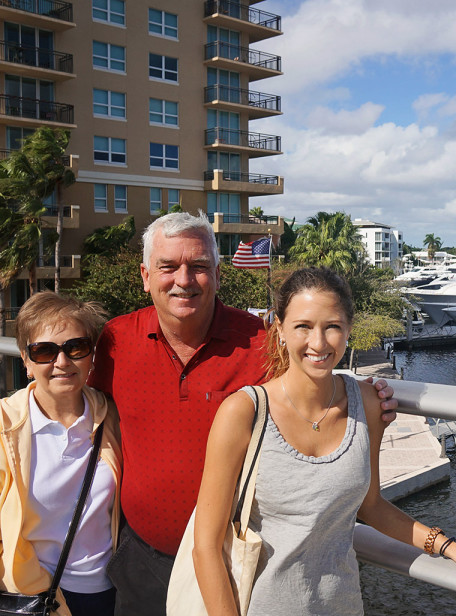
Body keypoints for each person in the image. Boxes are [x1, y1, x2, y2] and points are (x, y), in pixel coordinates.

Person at [88, 212, 399, 616]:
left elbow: (312, 374)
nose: (184, 279)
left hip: (238, 561)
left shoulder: (260, 343)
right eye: (168, 266)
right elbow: (78, 409)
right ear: (146, 275)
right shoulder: (115, 341)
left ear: (217, 273)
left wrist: (368, 398)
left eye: (199, 266)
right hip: (143, 558)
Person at [193, 267, 456, 615]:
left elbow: (371, 506)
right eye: (303, 326)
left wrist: (446, 546)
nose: (319, 343)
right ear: (279, 329)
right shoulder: (243, 412)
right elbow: (205, 545)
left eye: (332, 327)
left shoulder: (367, 403)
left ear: (349, 329)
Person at [0, 292, 121, 616]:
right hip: (33, 596)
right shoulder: (4, 427)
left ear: (92, 356)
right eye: (44, 351)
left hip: (107, 595)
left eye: (76, 348)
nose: (62, 362)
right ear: (26, 361)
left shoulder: (112, 417)